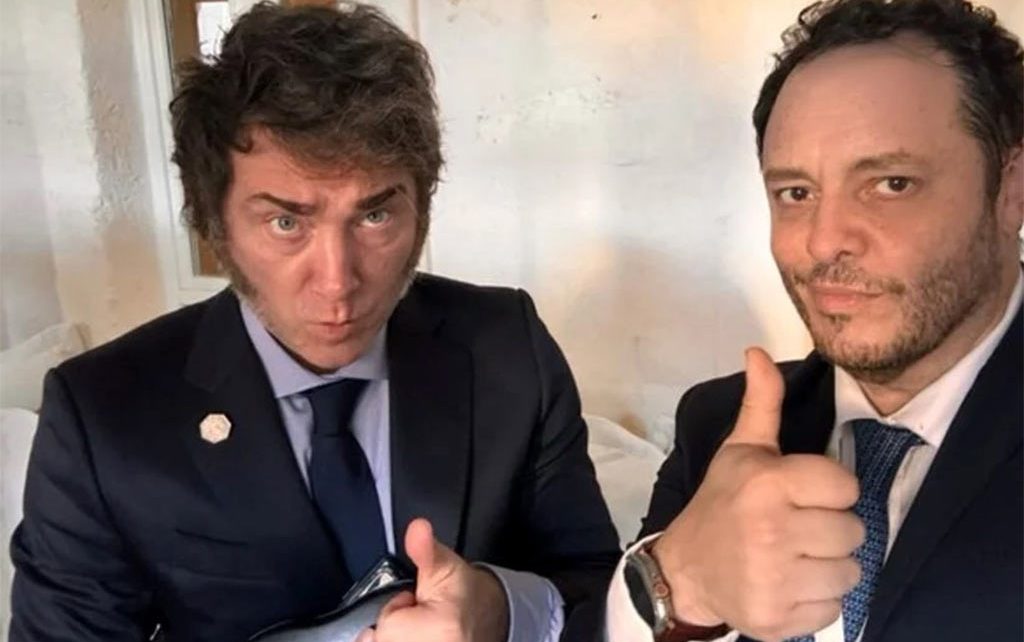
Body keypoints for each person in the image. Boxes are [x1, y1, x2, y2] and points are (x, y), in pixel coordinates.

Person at [10, 3, 621, 641]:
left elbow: (600, 591)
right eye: (286, 222)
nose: (337, 282)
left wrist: (498, 610)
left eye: (375, 216)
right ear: (213, 223)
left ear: (422, 204)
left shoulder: (507, 347)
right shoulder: (104, 413)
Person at [606, 0, 1023, 641]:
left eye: (891, 183)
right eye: (795, 193)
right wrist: (678, 582)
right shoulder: (719, 427)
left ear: (1011, 188)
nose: (824, 241)